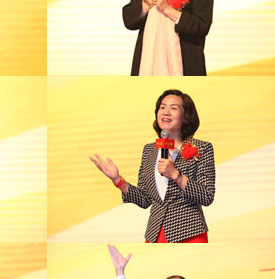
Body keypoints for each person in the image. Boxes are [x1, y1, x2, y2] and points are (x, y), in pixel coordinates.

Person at [90, 89, 215, 242]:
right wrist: (117, 180)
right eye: (162, 107)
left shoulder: (202, 148)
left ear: (185, 116)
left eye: (173, 108)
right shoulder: (149, 150)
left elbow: (207, 196)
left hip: (188, 233)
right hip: (154, 234)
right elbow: (145, 200)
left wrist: (175, 174)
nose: (166, 112)